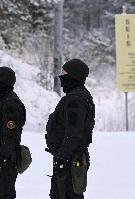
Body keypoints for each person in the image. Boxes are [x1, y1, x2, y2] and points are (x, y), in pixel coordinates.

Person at [45, 59, 95, 199]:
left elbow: (73, 133)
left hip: (70, 159)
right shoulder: (76, 96)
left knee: (67, 195)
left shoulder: (76, 100)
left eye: (64, 73)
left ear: (74, 75)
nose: (60, 76)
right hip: (69, 157)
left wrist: (62, 158)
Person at [0, 66, 26, 199]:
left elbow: (11, 138)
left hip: (5, 161)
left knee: (3, 195)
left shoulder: (11, 104)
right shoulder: (0, 102)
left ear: (4, 82)